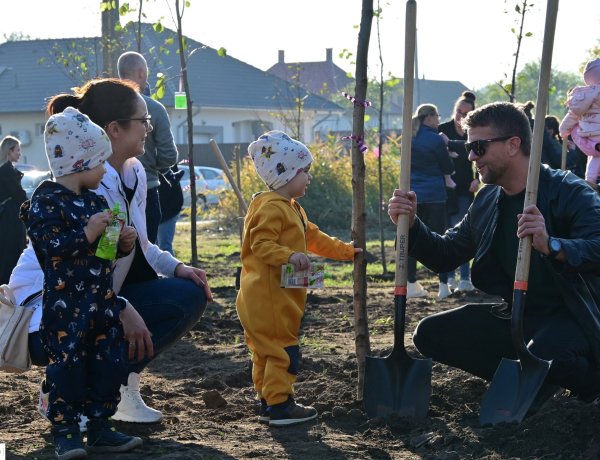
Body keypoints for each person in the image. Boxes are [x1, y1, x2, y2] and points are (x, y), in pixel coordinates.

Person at [9, 79, 211, 429]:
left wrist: (177, 267)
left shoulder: (131, 171)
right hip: (52, 305)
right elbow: (79, 269)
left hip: (94, 293)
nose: (149, 128)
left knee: (187, 293)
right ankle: (68, 392)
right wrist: (121, 307)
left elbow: (141, 244)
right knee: (111, 318)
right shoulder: (85, 187)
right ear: (114, 129)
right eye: (143, 121)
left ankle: (116, 388)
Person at [388, 101, 600, 408]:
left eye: (479, 147)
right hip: (518, 316)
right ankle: (529, 378)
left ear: (513, 145)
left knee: (549, 353)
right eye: (469, 147)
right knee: (431, 333)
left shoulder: (569, 191)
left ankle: (587, 380)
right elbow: (446, 254)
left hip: (574, 315)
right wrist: (411, 224)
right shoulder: (487, 199)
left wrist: (552, 245)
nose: (471, 156)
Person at [22, 107, 142, 458]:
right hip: (65, 306)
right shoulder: (46, 201)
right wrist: (89, 230)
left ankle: (101, 425)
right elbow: (49, 247)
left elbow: (104, 256)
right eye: (99, 163)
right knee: (67, 365)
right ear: (78, 164)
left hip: (101, 302)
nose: (105, 170)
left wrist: (121, 244)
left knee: (107, 362)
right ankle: (66, 429)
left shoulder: (95, 199)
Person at [236, 130, 361, 426]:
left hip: (274, 297)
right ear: (285, 174)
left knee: (265, 352)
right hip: (269, 299)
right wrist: (289, 256)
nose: (309, 178)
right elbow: (260, 244)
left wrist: (346, 252)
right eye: (304, 172)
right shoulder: (269, 208)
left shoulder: (291, 209)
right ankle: (280, 406)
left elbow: (313, 237)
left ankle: (267, 401)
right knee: (283, 350)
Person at [117, 51, 179, 243]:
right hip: (147, 190)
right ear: (142, 73)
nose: (148, 128)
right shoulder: (154, 108)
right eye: (145, 123)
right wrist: (151, 164)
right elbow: (169, 155)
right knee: (147, 251)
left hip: (114, 190)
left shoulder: (107, 107)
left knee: (111, 250)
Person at [406, 104, 455, 300]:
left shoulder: (409, 137)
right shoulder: (435, 139)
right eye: (437, 116)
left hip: (414, 194)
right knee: (439, 238)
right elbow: (448, 167)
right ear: (429, 118)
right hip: (434, 195)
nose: (438, 120)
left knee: (411, 238)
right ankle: (443, 286)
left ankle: (410, 283)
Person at [438, 91, 479, 293]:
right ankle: (448, 279)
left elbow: (481, 155)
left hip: (465, 189)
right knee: (445, 233)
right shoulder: (443, 130)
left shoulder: (473, 133)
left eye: (465, 113)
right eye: (458, 111)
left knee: (463, 233)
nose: (460, 116)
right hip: (445, 190)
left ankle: (464, 278)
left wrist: (477, 179)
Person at [559, 58, 600, 188]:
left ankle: (591, 181)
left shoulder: (581, 96)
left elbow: (572, 115)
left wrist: (563, 130)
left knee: (594, 157)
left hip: (589, 137)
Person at [0, 135, 27, 284]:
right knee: (12, 251)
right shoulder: (7, 171)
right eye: (17, 150)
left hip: (7, 216)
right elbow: (20, 196)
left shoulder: (6, 170)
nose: (19, 153)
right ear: (10, 151)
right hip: (9, 218)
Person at [157, 165, 184, 255]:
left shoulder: (162, 155)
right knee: (153, 248)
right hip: (155, 207)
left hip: (168, 207)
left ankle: (170, 269)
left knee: (164, 247)